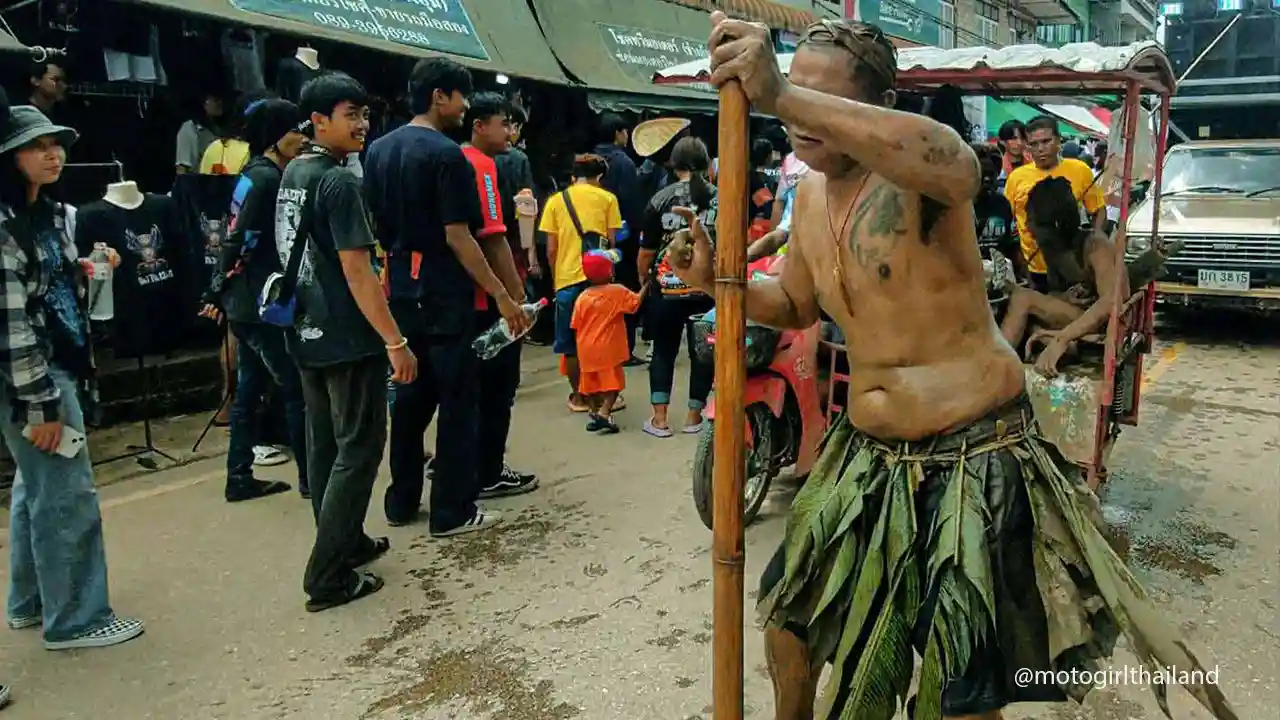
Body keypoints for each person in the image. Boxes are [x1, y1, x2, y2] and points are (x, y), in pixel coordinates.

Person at [670, 14, 1235, 720]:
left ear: (875, 109)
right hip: (865, 455)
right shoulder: (807, 196)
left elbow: (956, 163)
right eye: (793, 99)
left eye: (827, 100)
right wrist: (711, 282)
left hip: (971, 453)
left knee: (959, 682)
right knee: (791, 618)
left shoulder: (924, 173)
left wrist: (782, 91)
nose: (801, 120)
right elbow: (794, 303)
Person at [0, 103, 144, 649]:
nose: (52, 152)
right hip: (33, 375)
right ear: (10, 157)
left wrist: (85, 268)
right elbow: (10, 326)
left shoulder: (51, 214)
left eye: (55, 142)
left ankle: (32, 601)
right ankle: (77, 619)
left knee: (34, 487)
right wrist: (40, 405)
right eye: (37, 146)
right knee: (65, 495)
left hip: (55, 362)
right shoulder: (4, 226)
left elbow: (45, 284)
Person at [363, 57, 524, 535]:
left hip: (400, 288)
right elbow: (460, 236)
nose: (465, 107)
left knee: (411, 399)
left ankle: (401, 499)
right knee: (458, 402)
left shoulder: (378, 151)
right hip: (444, 292)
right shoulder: (447, 155)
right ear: (440, 96)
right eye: (460, 96)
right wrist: (501, 294)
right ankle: (452, 511)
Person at [278, 74, 414, 611]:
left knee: (325, 446)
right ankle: (328, 576)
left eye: (363, 114)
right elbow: (358, 271)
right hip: (346, 335)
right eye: (349, 115)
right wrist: (395, 341)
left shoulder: (295, 170)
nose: (361, 125)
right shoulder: (338, 182)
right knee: (357, 451)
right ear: (318, 120)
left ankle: (348, 541)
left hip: (306, 329)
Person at [204, 98, 310, 502]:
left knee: (249, 391)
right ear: (273, 135)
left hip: (244, 303)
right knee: (296, 390)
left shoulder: (252, 173)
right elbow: (241, 237)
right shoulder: (267, 180)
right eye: (294, 130)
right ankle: (310, 479)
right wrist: (216, 285)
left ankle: (239, 476)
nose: (301, 138)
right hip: (260, 304)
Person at [459, 93, 538, 499]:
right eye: (504, 123)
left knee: (463, 386)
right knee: (497, 387)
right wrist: (520, 282)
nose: (510, 133)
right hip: (495, 286)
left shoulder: (447, 156)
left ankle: (454, 462)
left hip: (447, 290)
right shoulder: (496, 163)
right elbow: (517, 218)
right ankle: (488, 470)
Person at [1000, 176, 1121, 376]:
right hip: (1077, 318)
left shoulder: (1096, 246)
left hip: (1102, 324)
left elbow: (1111, 302)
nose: (1030, 231)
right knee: (1022, 306)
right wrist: (1065, 298)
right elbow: (1054, 294)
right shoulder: (1054, 250)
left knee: (1022, 298)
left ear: (1055, 225)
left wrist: (1062, 338)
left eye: (1034, 223)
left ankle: (998, 368)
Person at [636, 137, 716, 438]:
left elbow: (646, 251)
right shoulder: (721, 198)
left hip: (666, 288)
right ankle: (694, 417)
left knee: (664, 351)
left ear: (674, 165)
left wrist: (645, 279)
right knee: (703, 352)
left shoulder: (661, 198)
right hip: (707, 289)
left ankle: (659, 420)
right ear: (708, 164)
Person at [538, 153, 623, 414]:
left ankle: (580, 396)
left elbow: (551, 249)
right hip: (597, 282)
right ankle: (601, 396)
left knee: (569, 344)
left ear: (574, 175)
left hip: (566, 281)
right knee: (599, 341)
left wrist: (557, 279)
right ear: (599, 176)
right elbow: (611, 243)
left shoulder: (555, 201)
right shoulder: (608, 199)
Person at [1005, 115, 1107, 294]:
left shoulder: (1080, 171)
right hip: (1033, 270)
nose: (1040, 149)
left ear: (1059, 141)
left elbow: (1098, 210)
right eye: (1034, 144)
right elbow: (1012, 222)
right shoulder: (1016, 178)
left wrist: (1094, 247)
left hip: (1072, 268)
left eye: (1046, 141)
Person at [570, 251, 646, 434]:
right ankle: (604, 413)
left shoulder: (582, 297)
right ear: (609, 271)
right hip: (609, 349)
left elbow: (575, 324)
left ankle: (593, 411)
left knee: (591, 383)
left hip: (586, 348)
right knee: (613, 385)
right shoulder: (617, 291)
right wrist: (646, 286)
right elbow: (634, 304)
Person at [593, 113, 645, 364]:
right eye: (625, 132)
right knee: (624, 290)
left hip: (594, 238)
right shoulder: (624, 163)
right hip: (623, 239)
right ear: (618, 133)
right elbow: (632, 204)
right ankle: (624, 349)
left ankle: (599, 345)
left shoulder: (591, 159)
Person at [970, 143, 1020, 274]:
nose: (986, 179)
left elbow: (1013, 245)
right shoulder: (956, 206)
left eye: (991, 174)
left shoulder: (1002, 203)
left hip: (1000, 277)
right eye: (982, 173)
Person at [176, 92, 225, 175]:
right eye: (215, 100)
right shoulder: (189, 128)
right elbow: (182, 168)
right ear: (203, 104)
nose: (220, 103)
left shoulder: (218, 130)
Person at [996, 119, 1030, 191]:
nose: (1019, 143)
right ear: (1002, 141)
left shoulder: (1034, 165)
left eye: (1023, 138)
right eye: (1014, 138)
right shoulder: (997, 168)